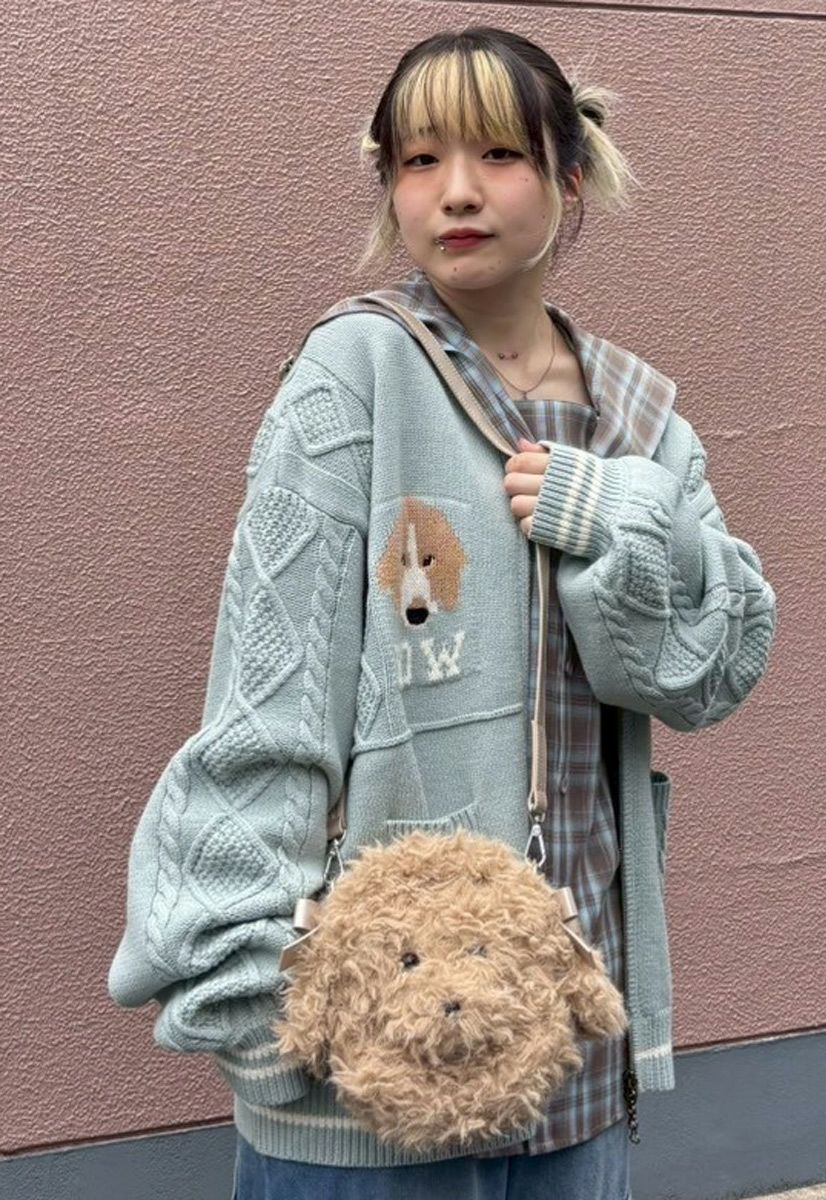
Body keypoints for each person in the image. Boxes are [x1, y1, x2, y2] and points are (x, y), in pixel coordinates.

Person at [107, 24, 777, 1200]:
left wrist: (618, 513)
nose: (455, 192)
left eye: (498, 154)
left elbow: (705, 672)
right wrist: (265, 1016)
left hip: (569, 1057)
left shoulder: (640, 423)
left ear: (571, 177)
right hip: (371, 1077)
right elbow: (269, 700)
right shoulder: (353, 377)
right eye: (418, 161)